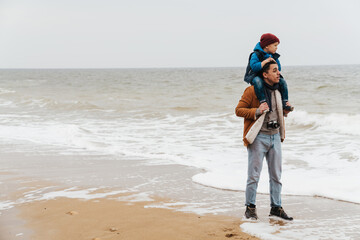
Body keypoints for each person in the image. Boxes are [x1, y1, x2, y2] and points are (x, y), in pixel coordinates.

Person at [235, 60, 293, 221]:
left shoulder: (279, 90)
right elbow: (238, 110)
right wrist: (256, 111)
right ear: (265, 74)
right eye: (274, 71)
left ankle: (276, 208)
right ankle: (250, 208)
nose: (278, 73)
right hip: (258, 137)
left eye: (278, 70)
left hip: (275, 135)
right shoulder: (252, 91)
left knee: (276, 175)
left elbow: (278, 112)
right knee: (253, 175)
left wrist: (286, 110)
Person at [244, 33, 293, 112]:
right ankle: (263, 102)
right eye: (275, 45)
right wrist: (265, 61)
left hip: (268, 76)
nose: (276, 48)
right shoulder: (256, 54)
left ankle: (285, 101)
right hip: (256, 75)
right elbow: (254, 67)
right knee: (258, 81)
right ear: (267, 46)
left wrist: (274, 62)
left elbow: (278, 68)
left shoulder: (273, 55)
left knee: (283, 81)